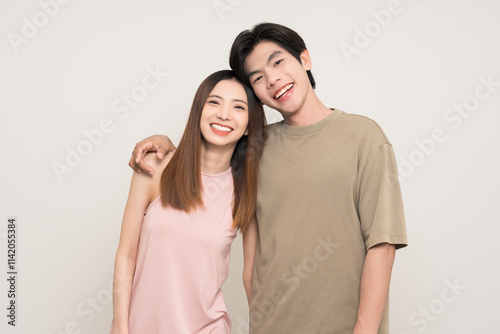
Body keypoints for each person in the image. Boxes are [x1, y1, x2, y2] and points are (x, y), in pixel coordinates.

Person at [129, 23, 408, 334]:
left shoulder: (363, 137)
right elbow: (207, 155)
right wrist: (165, 145)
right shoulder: (254, 150)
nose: (273, 79)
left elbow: (382, 245)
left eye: (278, 62)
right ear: (256, 95)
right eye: (258, 77)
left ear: (304, 59)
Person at [111, 70, 267, 334]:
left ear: (250, 125)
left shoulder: (248, 189)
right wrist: (120, 327)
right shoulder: (154, 167)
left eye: (238, 107)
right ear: (199, 110)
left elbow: (251, 276)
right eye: (214, 102)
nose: (224, 114)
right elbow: (126, 256)